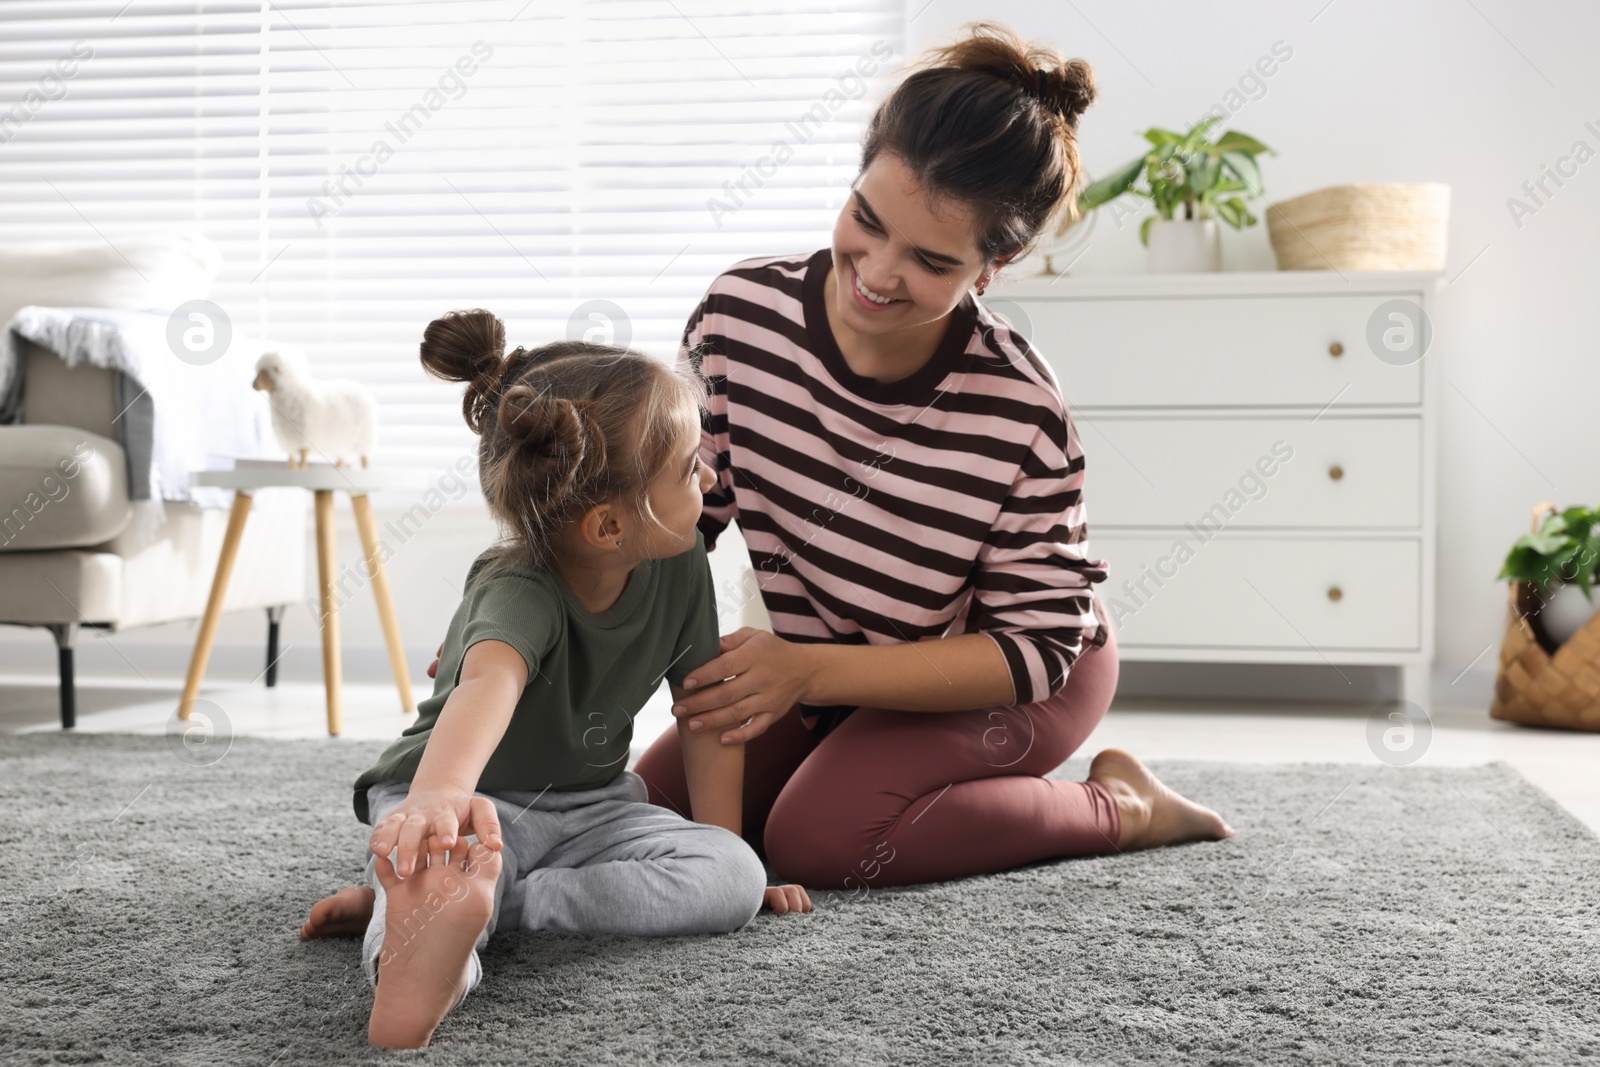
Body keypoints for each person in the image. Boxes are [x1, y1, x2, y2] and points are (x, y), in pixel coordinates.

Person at [631, 21, 1236, 891]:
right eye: (865, 220)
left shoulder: (1020, 409)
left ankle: (1125, 808)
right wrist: (542, 616)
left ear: (997, 263)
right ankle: (847, 747)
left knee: (823, 838)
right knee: (644, 819)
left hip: (1017, 674)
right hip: (830, 658)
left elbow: (1034, 648)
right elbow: (686, 522)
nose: (873, 272)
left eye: (928, 259)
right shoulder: (737, 320)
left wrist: (805, 668)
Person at [299, 309, 810, 1050]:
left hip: (593, 809)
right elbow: (486, 687)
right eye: (688, 467)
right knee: (434, 873)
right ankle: (411, 954)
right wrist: (439, 800)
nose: (709, 474)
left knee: (730, 874)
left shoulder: (683, 565)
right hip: (466, 800)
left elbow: (707, 708)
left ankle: (488, 903)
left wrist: (723, 848)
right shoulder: (517, 584)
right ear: (607, 526)